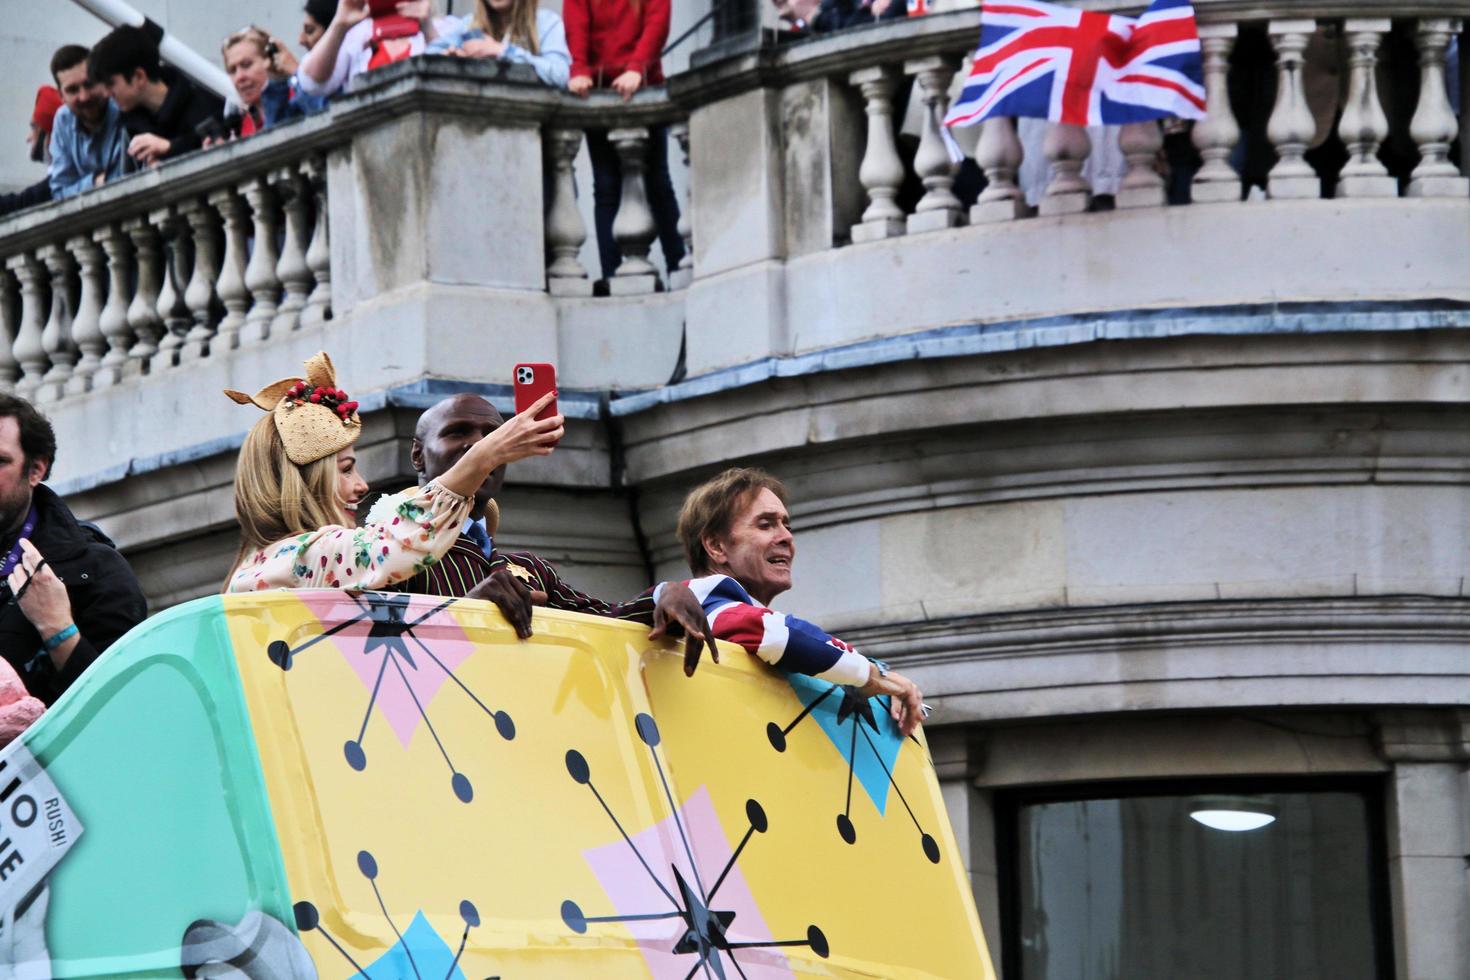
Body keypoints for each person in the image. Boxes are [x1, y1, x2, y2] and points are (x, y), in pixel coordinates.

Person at [381, 393, 716, 674]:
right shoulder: (384, 553)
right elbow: (375, 663)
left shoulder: (532, 571)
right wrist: (470, 612)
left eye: (494, 436)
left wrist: (666, 596)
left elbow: (606, 620)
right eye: (457, 432)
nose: (480, 447)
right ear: (417, 455)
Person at [224, 352, 562, 593]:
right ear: (301, 484)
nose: (361, 486)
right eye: (346, 469)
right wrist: (486, 455)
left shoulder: (263, 565)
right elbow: (398, 543)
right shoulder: (305, 556)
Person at [676, 467, 925, 736]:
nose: (786, 537)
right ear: (716, 546)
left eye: (787, 525)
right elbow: (773, 634)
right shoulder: (701, 600)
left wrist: (879, 685)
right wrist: (874, 676)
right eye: (766, 524)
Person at [0, 394, 148, 706]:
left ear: (36, 469)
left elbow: (125, 706)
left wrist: (56, 627)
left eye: (0, 462)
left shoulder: (94, 568)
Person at [564, 0, 686, 285]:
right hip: (599, 93)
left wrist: (636, 67)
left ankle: (678, 266)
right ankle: (610, 275)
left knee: (658, 183)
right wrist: (579, 68)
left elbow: (657, 22)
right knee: (606, 187)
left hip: (643, 90)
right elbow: (576, 24)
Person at [87, 25, 226, 167]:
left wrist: (170, 148)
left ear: (139, 77)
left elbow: (224, 145)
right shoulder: (128, 128)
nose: (106, 94)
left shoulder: (204, 98)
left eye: (111, 84)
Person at [298, 0, 455, 100]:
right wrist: (339, 24)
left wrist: (427, 26)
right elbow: (312, 83)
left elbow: (456, 81)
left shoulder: (447, 28)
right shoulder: (357, 35)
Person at [427, 0, 571, 89]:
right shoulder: (469, 24)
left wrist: (502, 51)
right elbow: (428, 54)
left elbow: (560, 75)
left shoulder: (546, 22)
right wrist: (450, 58)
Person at [47, 44, 128, 199]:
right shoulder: (62, 119)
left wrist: (86, 185)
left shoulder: (122, 106)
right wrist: (95, 181)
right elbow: (59, 193)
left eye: (89, 84)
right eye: (72, 90)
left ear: (102, 80)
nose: (84, 97)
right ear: (61, 96)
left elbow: (127, 177)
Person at [219, 27, 306, 138]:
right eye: (232, 70)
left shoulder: (299, 98)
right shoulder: (244, 124)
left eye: (246, 65)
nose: (239, 77)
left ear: (271, 61)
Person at [2, 89, 58, 218]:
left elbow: (22, 203)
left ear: (49, 134)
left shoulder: (60, 180)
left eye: (34, 128)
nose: (28, 137)